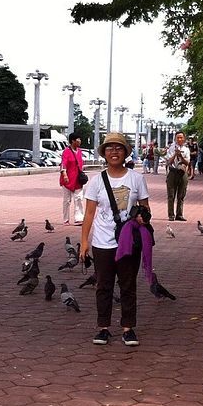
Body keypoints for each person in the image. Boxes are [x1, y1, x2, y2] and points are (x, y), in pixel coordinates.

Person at [81, 132, 151, 348]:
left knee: (128, 285)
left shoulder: (136, 178)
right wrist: (84, 241)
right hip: (102, 242)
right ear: (104, 153)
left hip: (128, 242)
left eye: (118, 148)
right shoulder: (96, 181)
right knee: (104, 285)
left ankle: (128, 328)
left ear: (125, 152)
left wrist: (141, 217)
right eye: (110, 148)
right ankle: (103, 328)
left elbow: (146, 209)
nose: (114, 152)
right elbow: (89, 214)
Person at [165, 131, 192, 221]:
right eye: (178, 137)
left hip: (182, 173)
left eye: (181, 137)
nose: (179, 139)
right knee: (171, 195)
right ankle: (171, 215)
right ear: (175, 138)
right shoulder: (171, 148)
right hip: (172, 172)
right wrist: (175, 154)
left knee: (181, 195)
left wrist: (181, 156)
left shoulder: (186, 149)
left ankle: (179, 214)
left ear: (184, 139)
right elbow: (169, 162)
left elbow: (187, 162)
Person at [60, 132, 85, 224]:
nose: (80, 141)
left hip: (78, 180)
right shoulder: (66, 151)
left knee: (79, 199)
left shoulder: (80, 151)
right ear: (73, 141)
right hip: (67, 180)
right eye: (78, 139)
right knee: (67, 200)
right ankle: (65, 219)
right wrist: (64, 174)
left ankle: (79, 218)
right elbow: (63, 163)